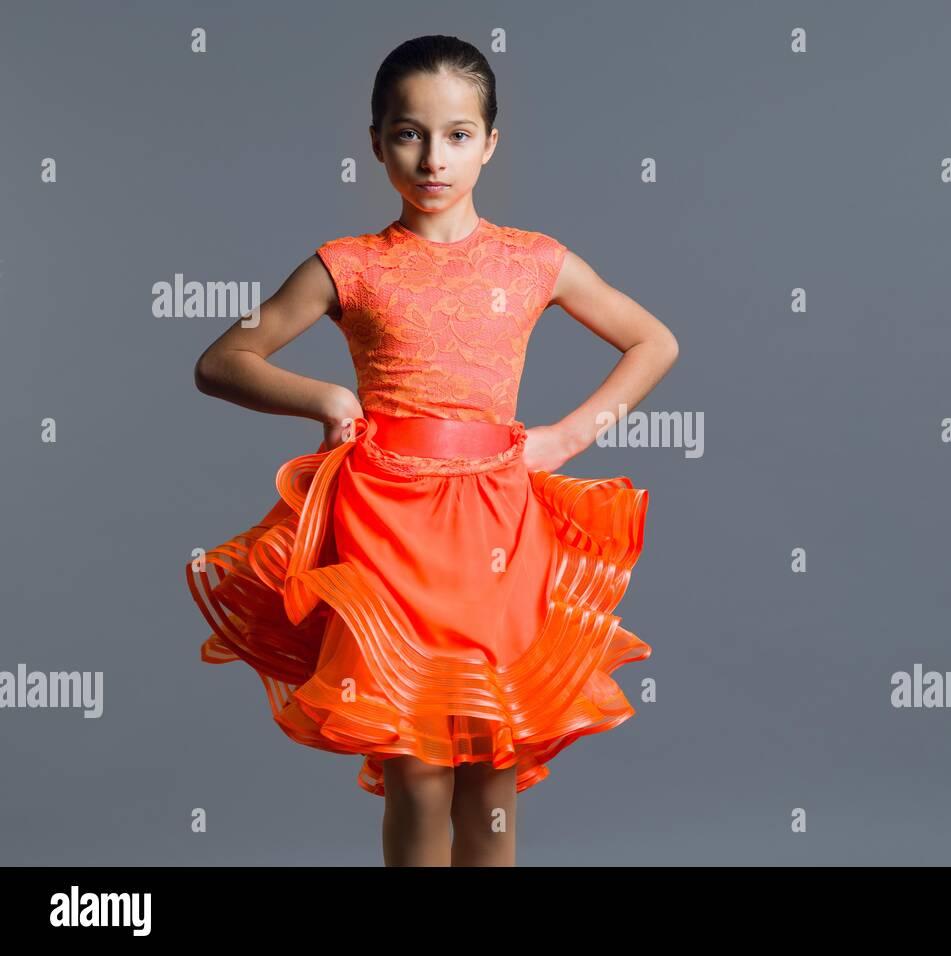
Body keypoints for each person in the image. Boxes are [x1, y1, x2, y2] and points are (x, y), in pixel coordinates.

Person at [183, 34, 678, 867]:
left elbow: (653, 342)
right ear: (376, 143)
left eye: (456, 134)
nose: (432, 157)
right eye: (409, 133)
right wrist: (328, 399)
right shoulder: (349, 265)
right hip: (385, 519)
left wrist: (564, 436)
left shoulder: (533, 260)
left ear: (491, 143)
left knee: (492, 764)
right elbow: (220, 361)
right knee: (414, 762)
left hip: (499, 526)